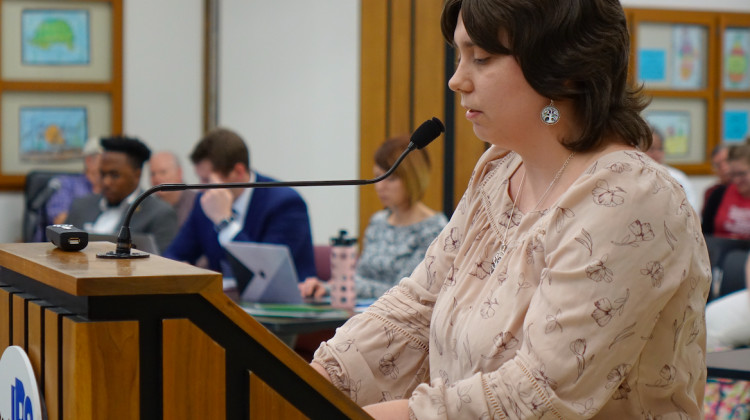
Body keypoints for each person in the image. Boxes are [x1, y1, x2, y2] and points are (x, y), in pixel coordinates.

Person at [310, 1, 711, 418]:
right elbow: (416, 308)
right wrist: (310, 379)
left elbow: (537, 393)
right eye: (459, 57)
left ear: (562, 66)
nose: (456, 80)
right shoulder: (500, 170)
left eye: (481, 59)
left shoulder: (633, 197)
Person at [299, 135, 448, 300]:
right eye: (378, 176)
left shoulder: (435, 228)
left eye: (390, 178)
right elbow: (359, 276)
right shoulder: (378, 221)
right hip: (362, 312)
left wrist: (339, 286)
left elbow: (404, 291)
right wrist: (324, 287)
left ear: (413, 178)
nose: (380, 186)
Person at [163, 128, 316, 283]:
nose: (201, 189)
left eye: (207, 180)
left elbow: (264, 271)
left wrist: (224, 221)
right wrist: (179, 268)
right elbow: (174, 255)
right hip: (225, 300)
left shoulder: (285, 203)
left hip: (282, 302)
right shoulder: (205, 202)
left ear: (238, 172)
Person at [65, 136, 178, 253]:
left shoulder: (159, 214)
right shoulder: (81, 206)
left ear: (137, 175)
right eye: (102, 174)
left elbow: (163, 264)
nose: (106, 182)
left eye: (114, 175)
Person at [45, 137, 103, 226]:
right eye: (105, 159)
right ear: (89, 161)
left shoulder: (111, 190)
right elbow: (59, 222)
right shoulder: (66, 185)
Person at [645, 125, 698, 210]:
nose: (657, 154)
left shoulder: (677, 178)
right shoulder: (633, 178)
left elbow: (692, 211)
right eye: (651, 149)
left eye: (660, 149)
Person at [702, 144, 750, 239]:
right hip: (720, 250)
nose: (736, 180)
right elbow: (705, 234)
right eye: (732, 174)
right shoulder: (718, 194)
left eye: (741, 174)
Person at [149, 151, 197, 227]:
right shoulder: (148, 207)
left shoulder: (196, 203)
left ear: (179, 173)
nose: (156, 178)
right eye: (152, 174)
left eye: (163, 172)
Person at [702, 144, 730, 214]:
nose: (724, 168)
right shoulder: (711, 192)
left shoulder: (745, 189)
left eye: (726, 161)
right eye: (718, 165)